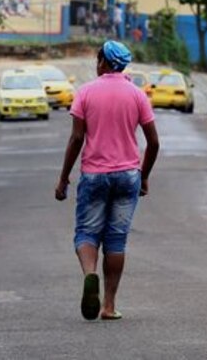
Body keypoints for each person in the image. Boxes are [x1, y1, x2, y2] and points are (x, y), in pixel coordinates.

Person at [55, 40, 160, 321]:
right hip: (128, 176)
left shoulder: (86, 93)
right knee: (116, 240)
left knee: (87, 233)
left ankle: (91, 275)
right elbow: (153, 142)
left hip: (94, 175)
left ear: (103, 62)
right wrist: (144, 176)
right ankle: (109, 306)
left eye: (98, 59)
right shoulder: (137, 95)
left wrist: (64, 177)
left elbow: (77, 138)